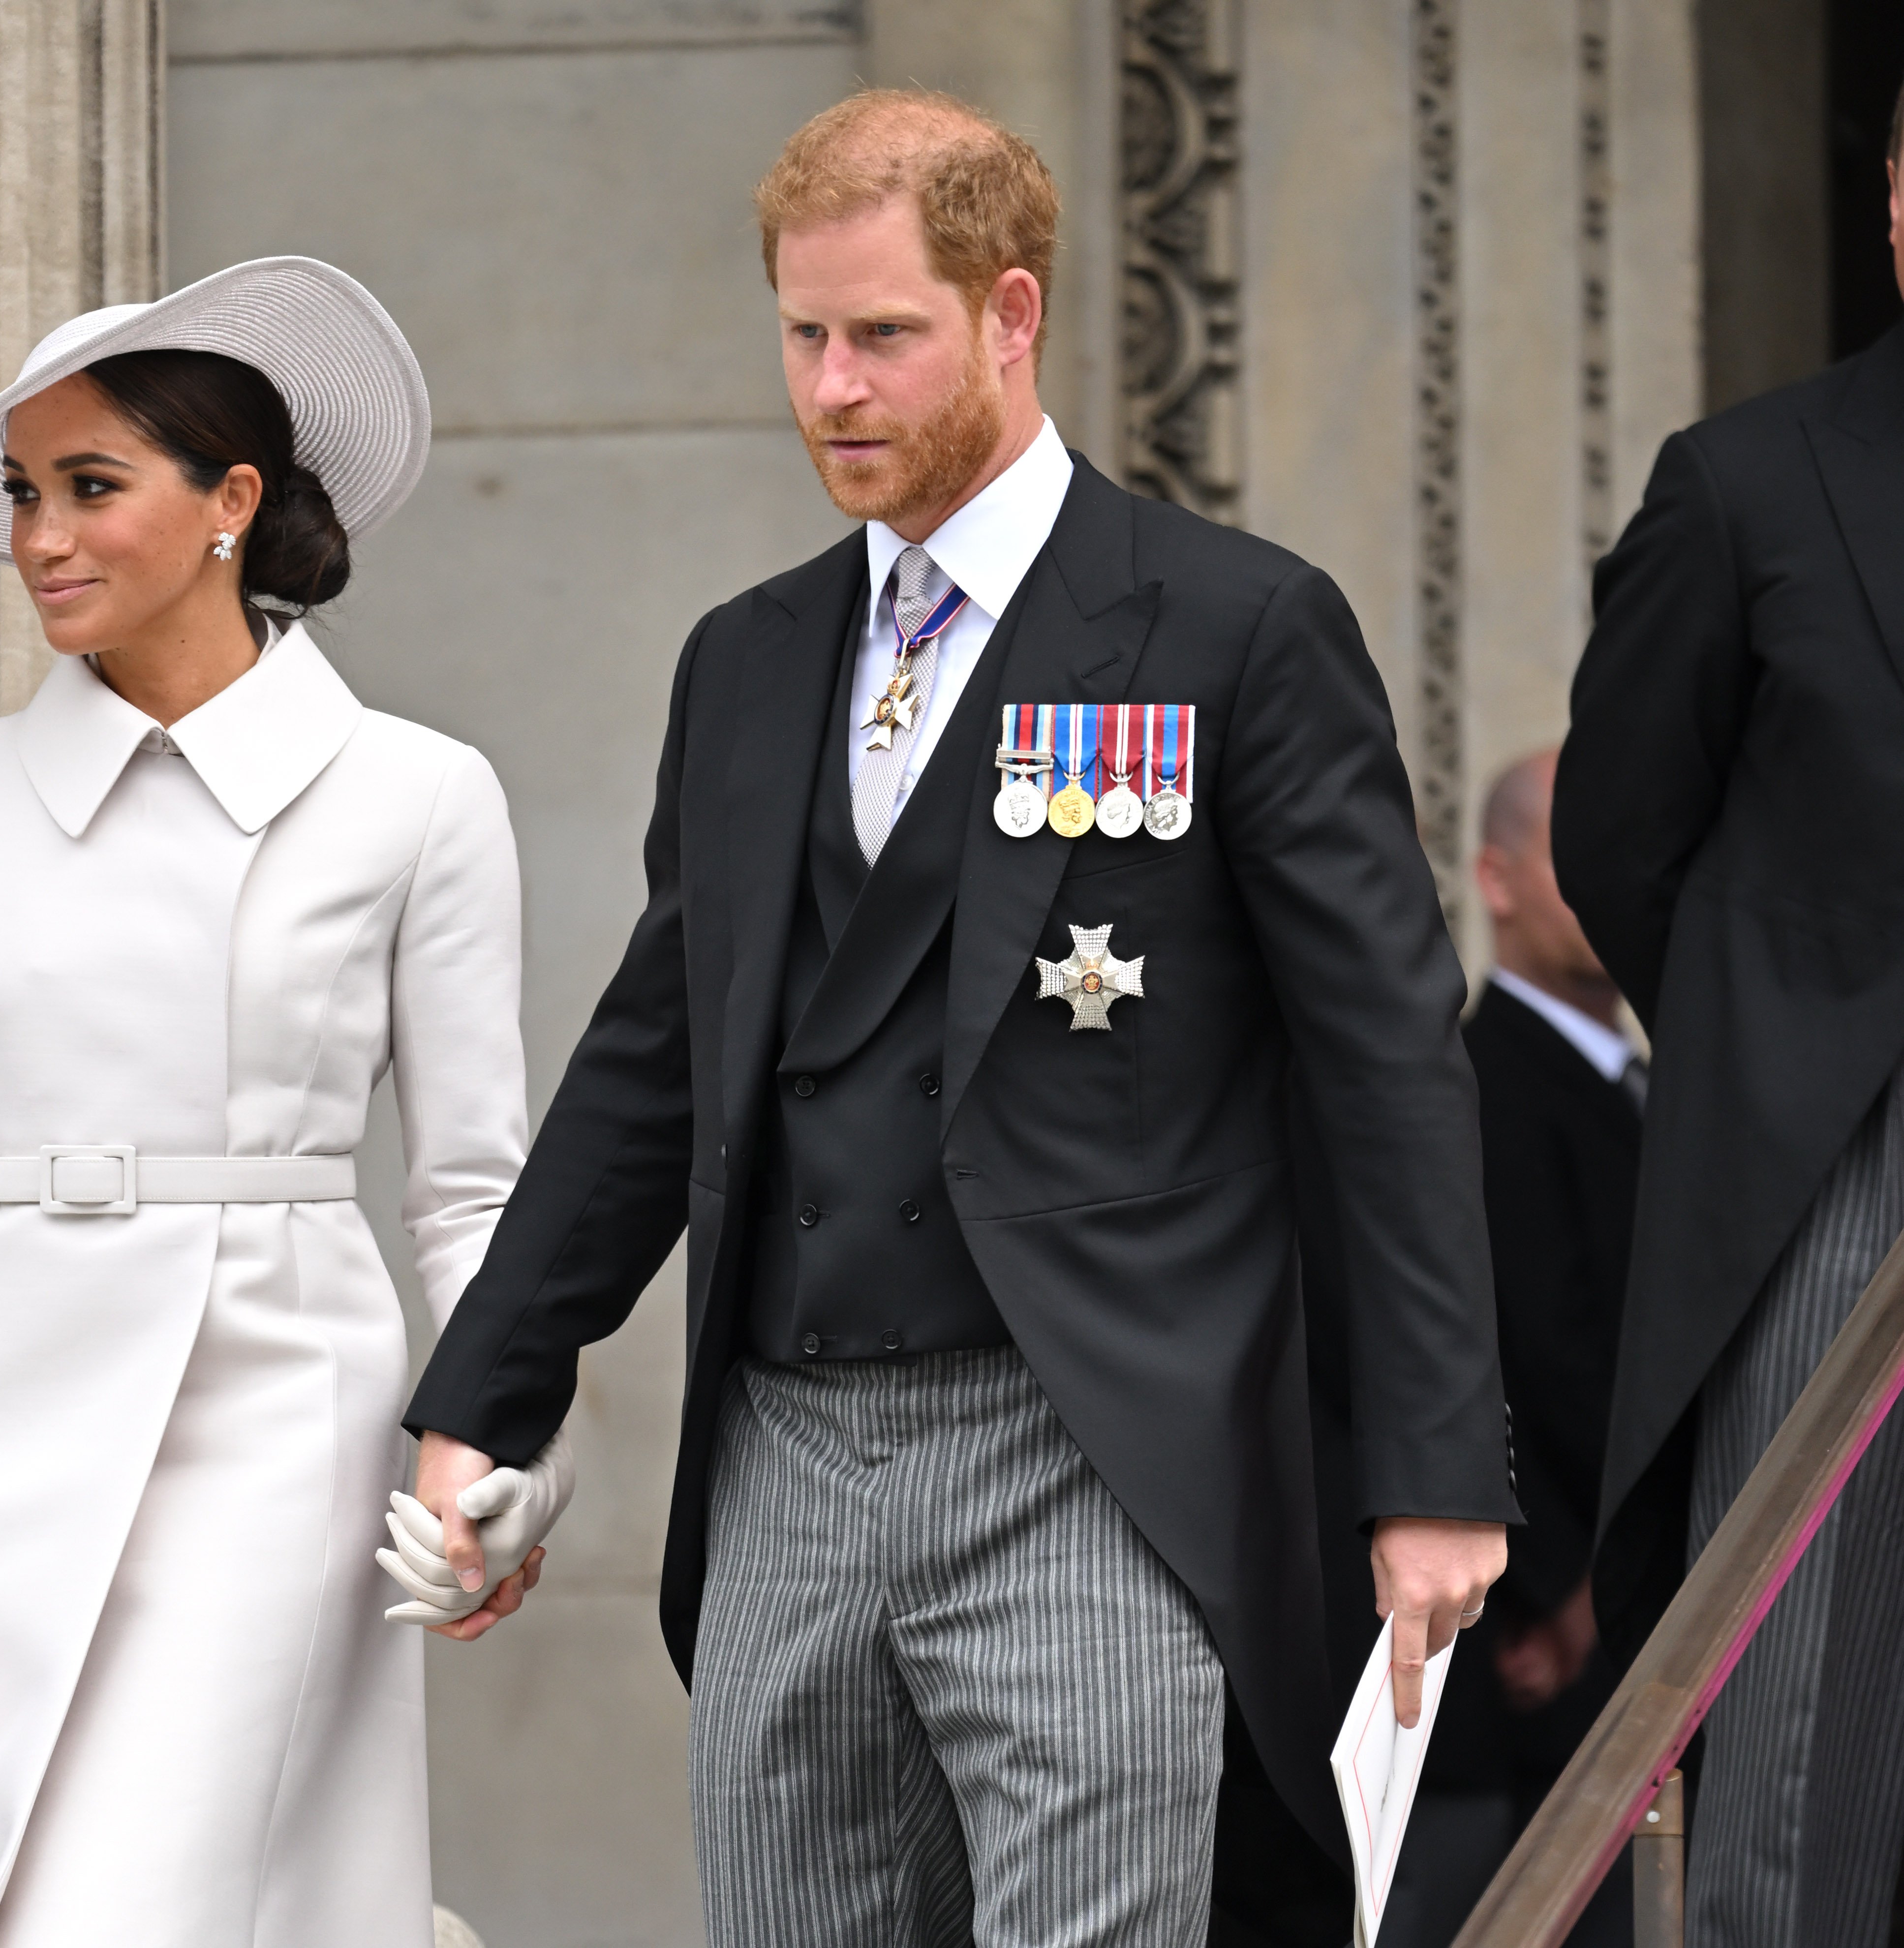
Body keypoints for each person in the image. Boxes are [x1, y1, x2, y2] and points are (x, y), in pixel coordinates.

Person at [393, 91, 1512, 1946]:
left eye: (883, 335)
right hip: (781, 1457)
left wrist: (1433, 1470)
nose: (833, 387)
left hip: (1093, 1454)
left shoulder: (1231, 629)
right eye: (802, 335)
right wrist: (484, 1398)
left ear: (1010, 315)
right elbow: (655, 1057)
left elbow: (1388, 1067)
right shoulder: (743, 660)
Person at [0, 258, 537, 1948]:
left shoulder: (418, 797)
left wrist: (501, 1444)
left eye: (91, 487)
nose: (41, 537)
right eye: (23, 492)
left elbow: (473, 1195)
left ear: (230, 503)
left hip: (270, 1443)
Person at [1554, 80, 1904, 1948]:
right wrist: (1780, 1058)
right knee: (1796, 1750)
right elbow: (1621, 838)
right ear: (1899, 205)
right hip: (1843, 1178)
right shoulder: (1748, 479)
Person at [1382, 751, 1641, 1948]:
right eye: (1568, 851)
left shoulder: (1642, 1085)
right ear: (1491, 878)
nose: (1608, 880)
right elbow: (1524, 1353)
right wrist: (1566, 1583)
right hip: (1536, 1639)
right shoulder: (1478, 1085)